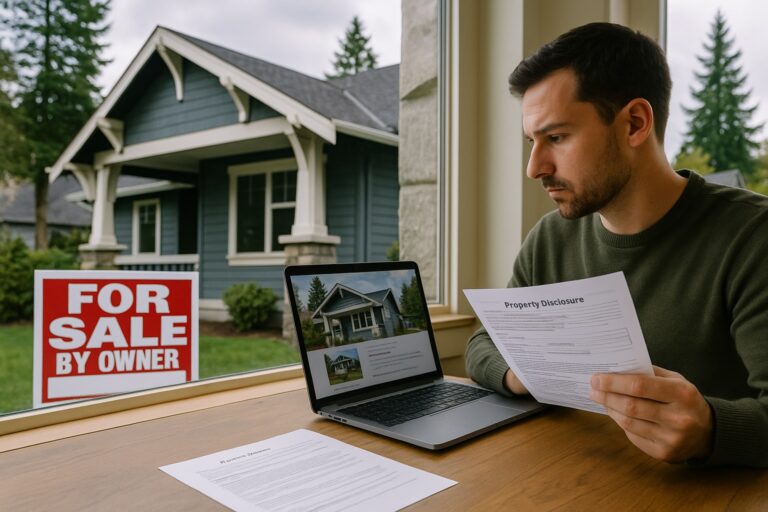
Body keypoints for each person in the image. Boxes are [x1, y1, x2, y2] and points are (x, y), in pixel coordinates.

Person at [465, 22, 768, 468]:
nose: (534, 167)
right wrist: (524, 374)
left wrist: (712, 429)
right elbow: (482, 344)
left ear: (634, 124)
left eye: (557, 137)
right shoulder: (550, 238)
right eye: (532, 142)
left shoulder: (752, 238)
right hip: (571, 478)